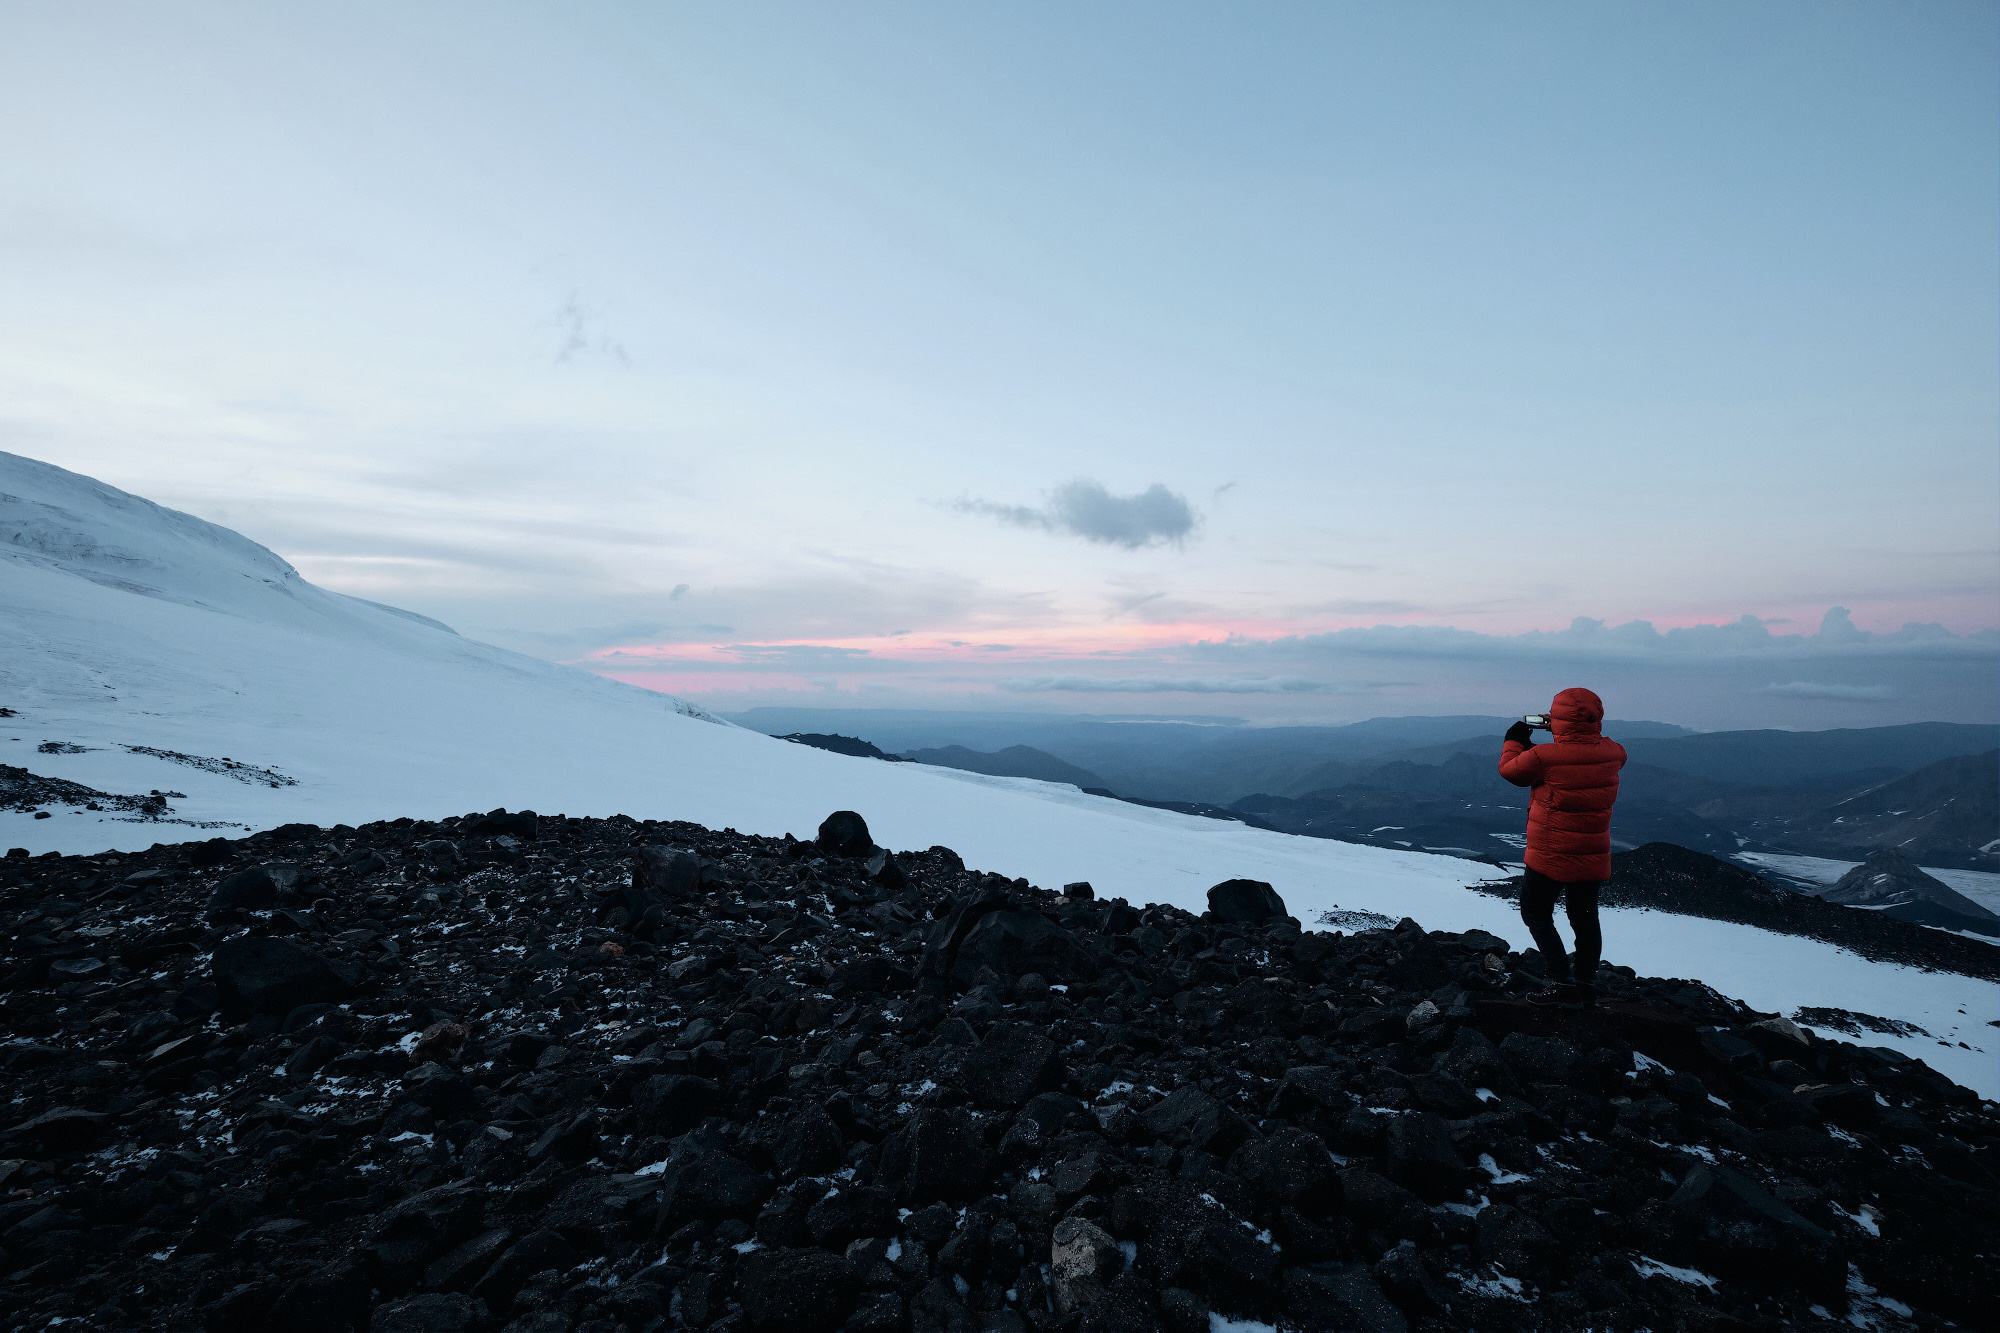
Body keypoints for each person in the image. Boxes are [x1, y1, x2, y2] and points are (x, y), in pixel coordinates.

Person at [1498, 686, 1626, 1008]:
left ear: (1558, 719)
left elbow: (1511, 771)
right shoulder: (1613, 753)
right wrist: (1566, 730)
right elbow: (1578, 758)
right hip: (1591, 854)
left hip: (1550, 854)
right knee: (1584, 919)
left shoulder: (1544, 758)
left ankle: (1561, 984)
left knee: (1536, 912)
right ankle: (1584, 985)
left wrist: (1514, 739)